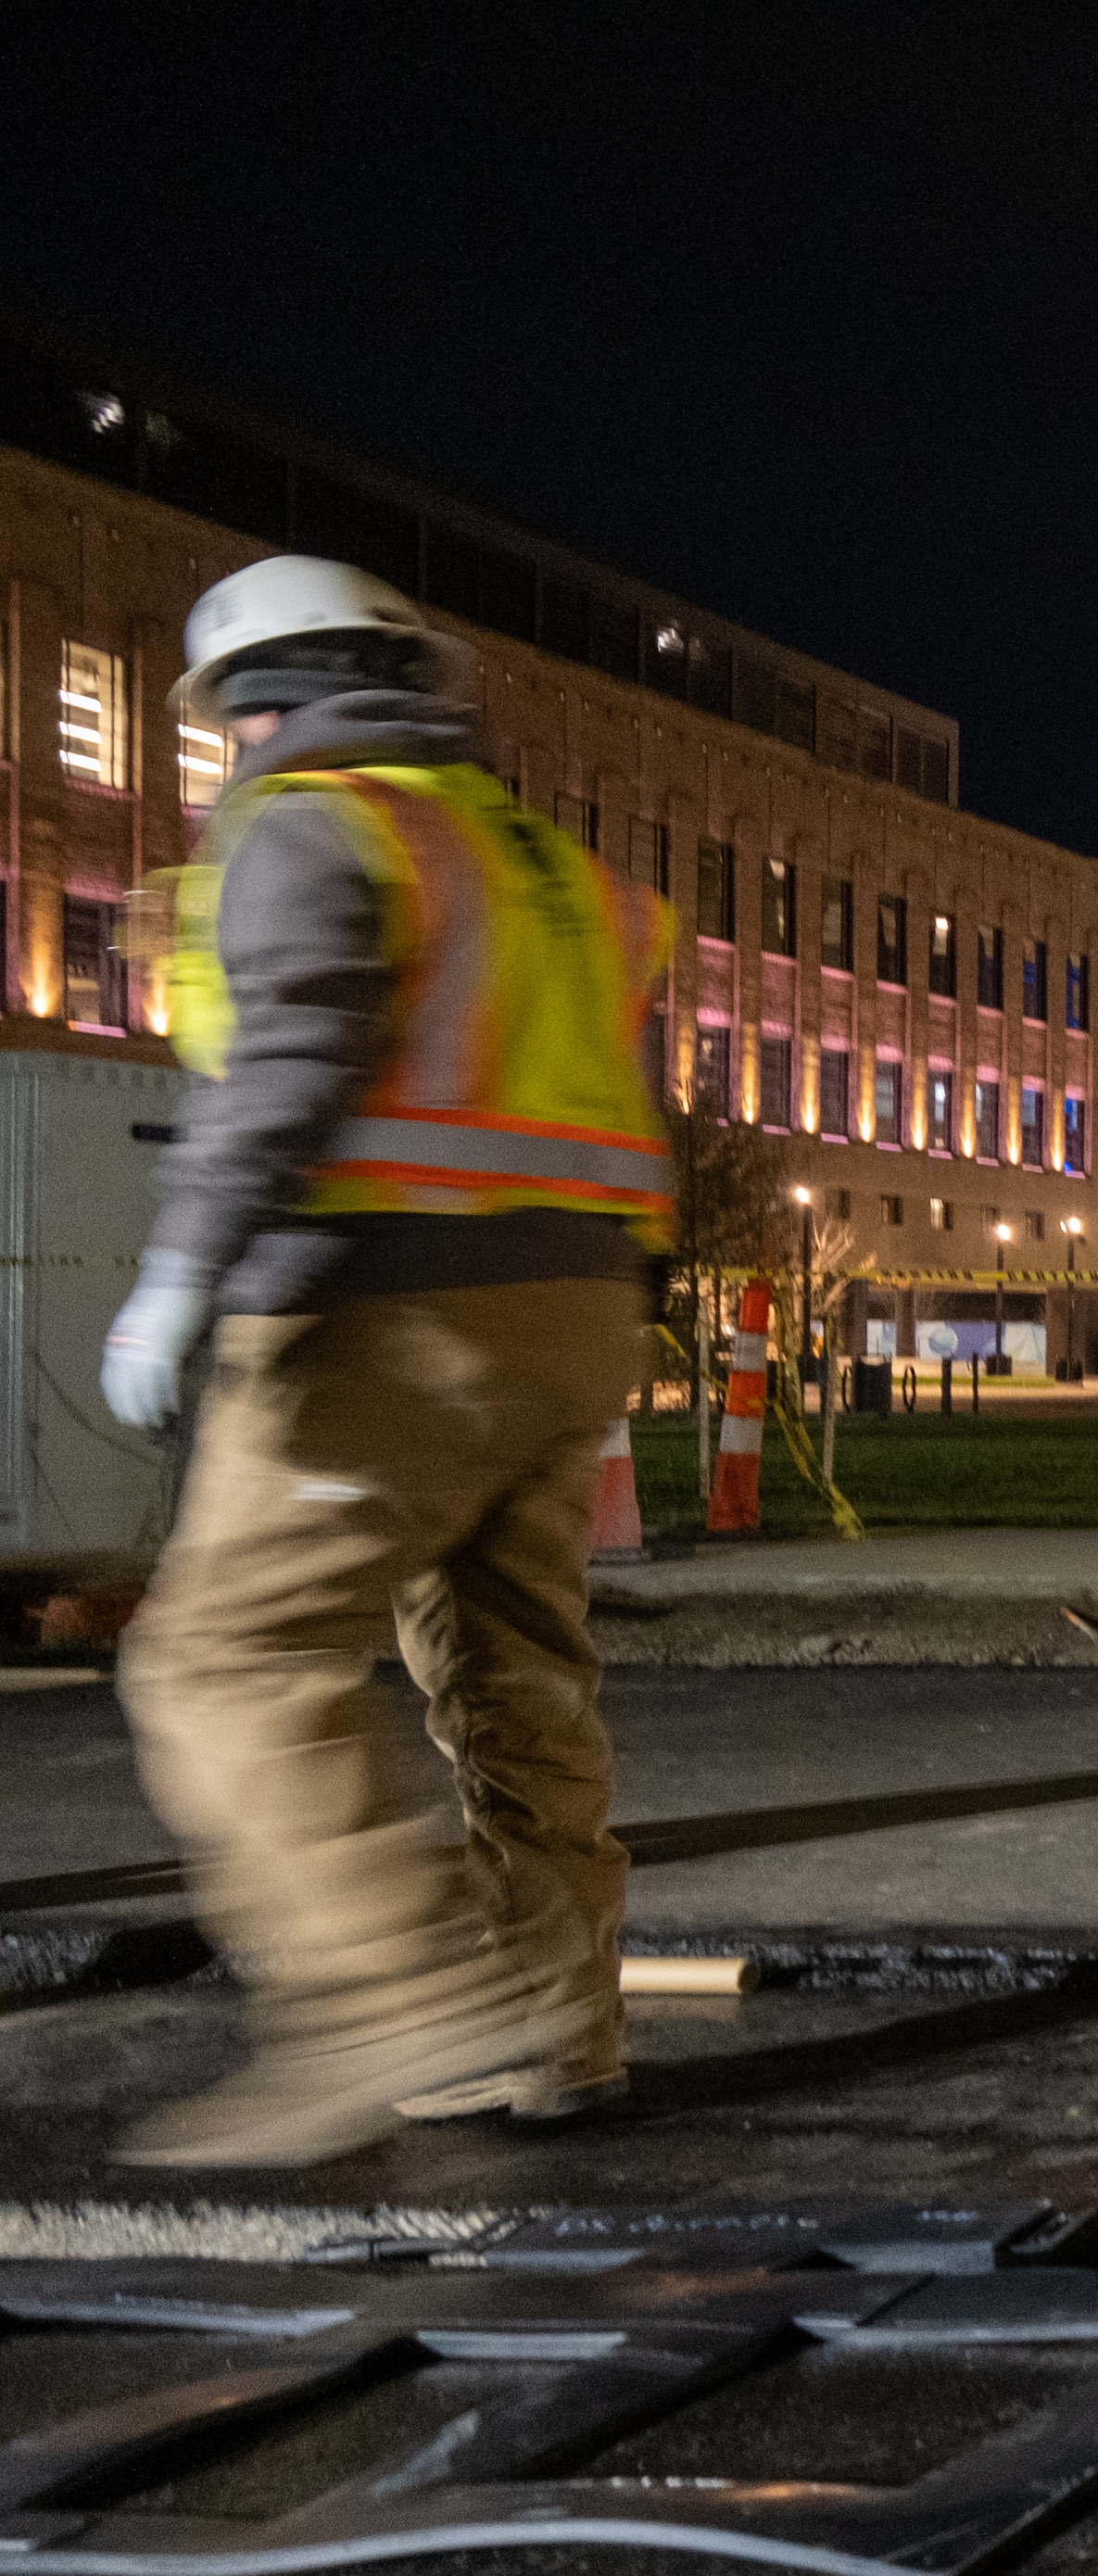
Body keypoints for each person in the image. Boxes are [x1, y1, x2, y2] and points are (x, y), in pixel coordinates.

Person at [100, 556, 675, 2167]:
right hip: (575, 1318)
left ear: (260, 700)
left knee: (222, 1665)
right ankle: (560, 2030)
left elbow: (282, 1070)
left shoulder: (316, 826)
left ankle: (392, 1992)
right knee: (517, 1679)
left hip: (388, 1312)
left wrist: (176, 1275)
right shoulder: (552, 866)